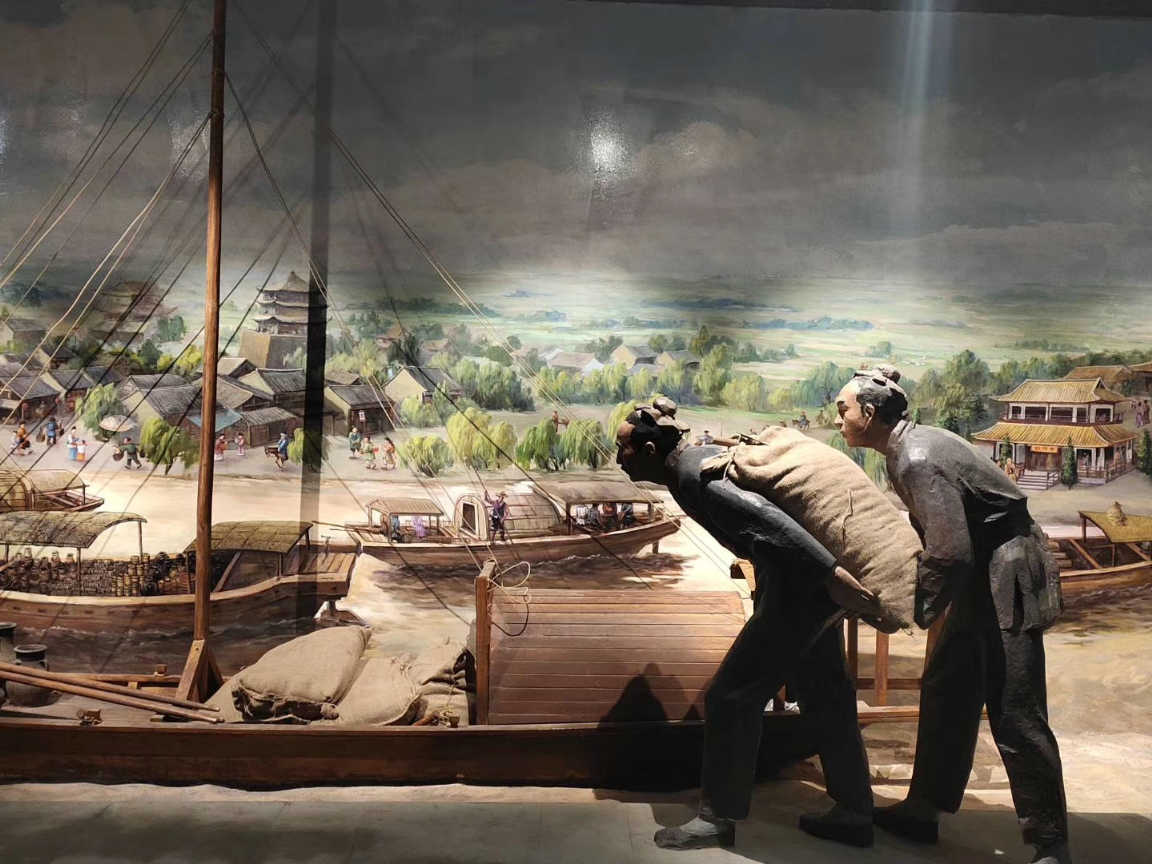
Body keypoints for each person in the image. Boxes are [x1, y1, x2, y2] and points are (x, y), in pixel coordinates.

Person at [615, 398, 879, 850]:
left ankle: (717, 817)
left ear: (651, 449)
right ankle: (855, 810)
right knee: (826, 693)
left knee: (731, 697)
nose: (619, 458)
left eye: (625, 449)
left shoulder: (693, 476)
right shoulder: (692, 467)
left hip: (800, 588)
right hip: (802, 586)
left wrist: (833, 578)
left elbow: (772, 526)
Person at [835, 368, 1069, 864]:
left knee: (1016, 708)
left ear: (869, 415)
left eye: (843, 410)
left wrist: (914, 607)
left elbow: (949, 552)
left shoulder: (915, 457)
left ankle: (1051, 844)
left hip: (1005, 568)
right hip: (982, 569)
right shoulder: (908, 446)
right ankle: (923, 810)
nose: (839, 420)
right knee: (948, 688)